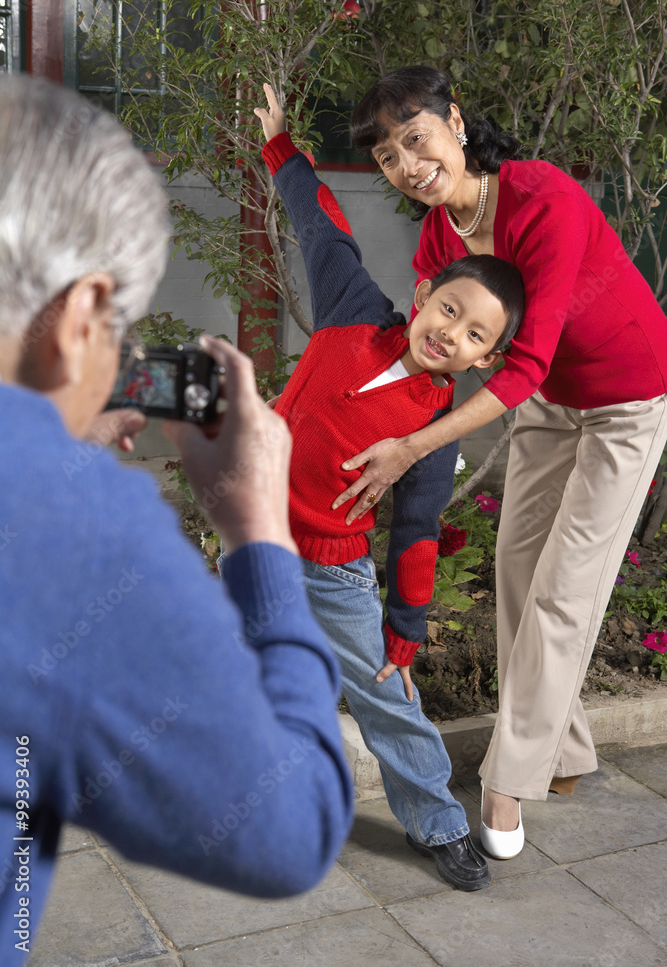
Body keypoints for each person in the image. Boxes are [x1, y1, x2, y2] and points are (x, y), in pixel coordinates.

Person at [0, 74, 355, 964]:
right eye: (117, 326)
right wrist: (257, 532)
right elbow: (291, 827)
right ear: (80, 313)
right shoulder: (67, 525)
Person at [330, 65, 667, 858]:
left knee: (563, 592)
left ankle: (504, 783)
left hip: (625, 399)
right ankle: (566, 753)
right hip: (554, 404)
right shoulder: (440, 235)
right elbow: (439, 340)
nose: (408, 165)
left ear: (453, 120)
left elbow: (522, 363)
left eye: (415, 139)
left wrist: (412, 446)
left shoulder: (539, 198)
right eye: (387, 157)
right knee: (517, 571)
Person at [254, 84, 524, 888]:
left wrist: (404, 632)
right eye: (447, 310)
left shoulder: (430, 430)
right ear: (421, 300)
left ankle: (437, 824)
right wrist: (280, 146)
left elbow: (413, 531)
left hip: (330, 569)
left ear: (483, 361)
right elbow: (318, 224)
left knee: (386, 698)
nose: (450, 333)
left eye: (474, 335)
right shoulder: (348, 310)